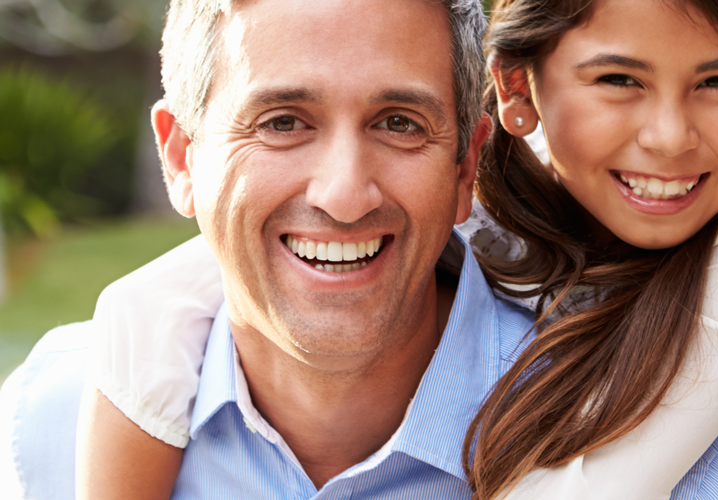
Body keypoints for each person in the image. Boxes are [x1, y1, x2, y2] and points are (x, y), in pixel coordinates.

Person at [61, 0, 718, 499]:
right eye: (283, 121)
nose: (667, 136)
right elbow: (261, 251)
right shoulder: (488, 209)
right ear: (516, 91)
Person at [1, 0, 507, 496]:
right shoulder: (42, 424)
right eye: (282, 122)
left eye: (399, 123)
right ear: (181, 158)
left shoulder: (577, 433)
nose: (345, 196)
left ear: (466, 168)